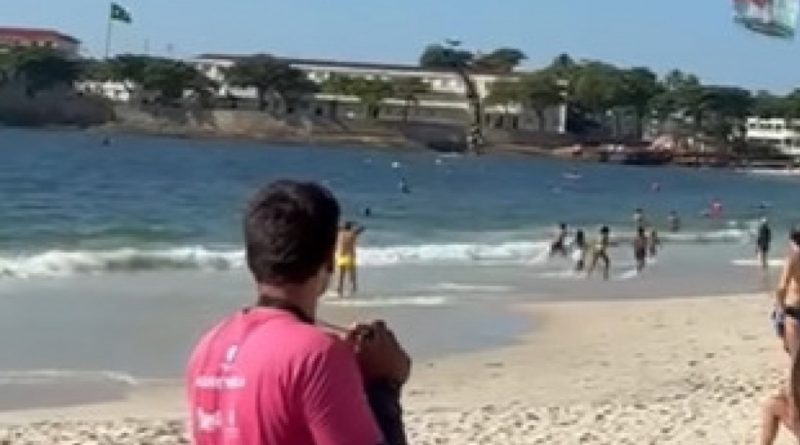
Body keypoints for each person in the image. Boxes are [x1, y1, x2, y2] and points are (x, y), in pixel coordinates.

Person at [186, 180, 410, 445]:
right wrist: (383, 386)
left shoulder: (209, 345)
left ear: (251, 259)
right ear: (329, 261)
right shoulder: (317, 354)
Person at [761, 228, 800, 445]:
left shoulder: (795, 255)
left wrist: (779, 309)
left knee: (771, 405)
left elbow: (782, 286)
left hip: (795, 312)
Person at [337, 221, 366, 297]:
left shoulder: (340, 233)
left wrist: (342, 226)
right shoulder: (352, 233)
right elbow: (362, 228)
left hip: (341, 256)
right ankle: (353, 289)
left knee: (341, 275)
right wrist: (355, 223)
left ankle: (340, 289)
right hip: (350, 256)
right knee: (352, 275)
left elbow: (337, 226)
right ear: (350, 227)